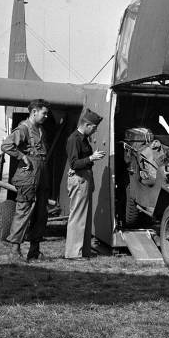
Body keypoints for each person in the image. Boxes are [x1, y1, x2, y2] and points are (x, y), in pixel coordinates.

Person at [1, 99, 50, 262]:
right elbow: (7, 145)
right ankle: (15, 251)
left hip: (41, 172)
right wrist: (23, 157)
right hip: (28, 175)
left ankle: (34, 251)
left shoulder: (41, 129)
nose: (46, 116)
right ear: (34, 112)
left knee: (41, 213)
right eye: (44, 113)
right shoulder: (24, 128)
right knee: (23, 211)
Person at [65, 109, 105, 259]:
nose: (95, 130)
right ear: (87, 125)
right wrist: (91, 158)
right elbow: (74, 163)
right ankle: (73, 253)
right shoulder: (74, 139)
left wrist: (91, 158)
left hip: (84, 178)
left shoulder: (82, 138)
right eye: (94, 127)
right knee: (78, 217)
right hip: (79, 179)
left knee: (85, 218)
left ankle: (83, 251)